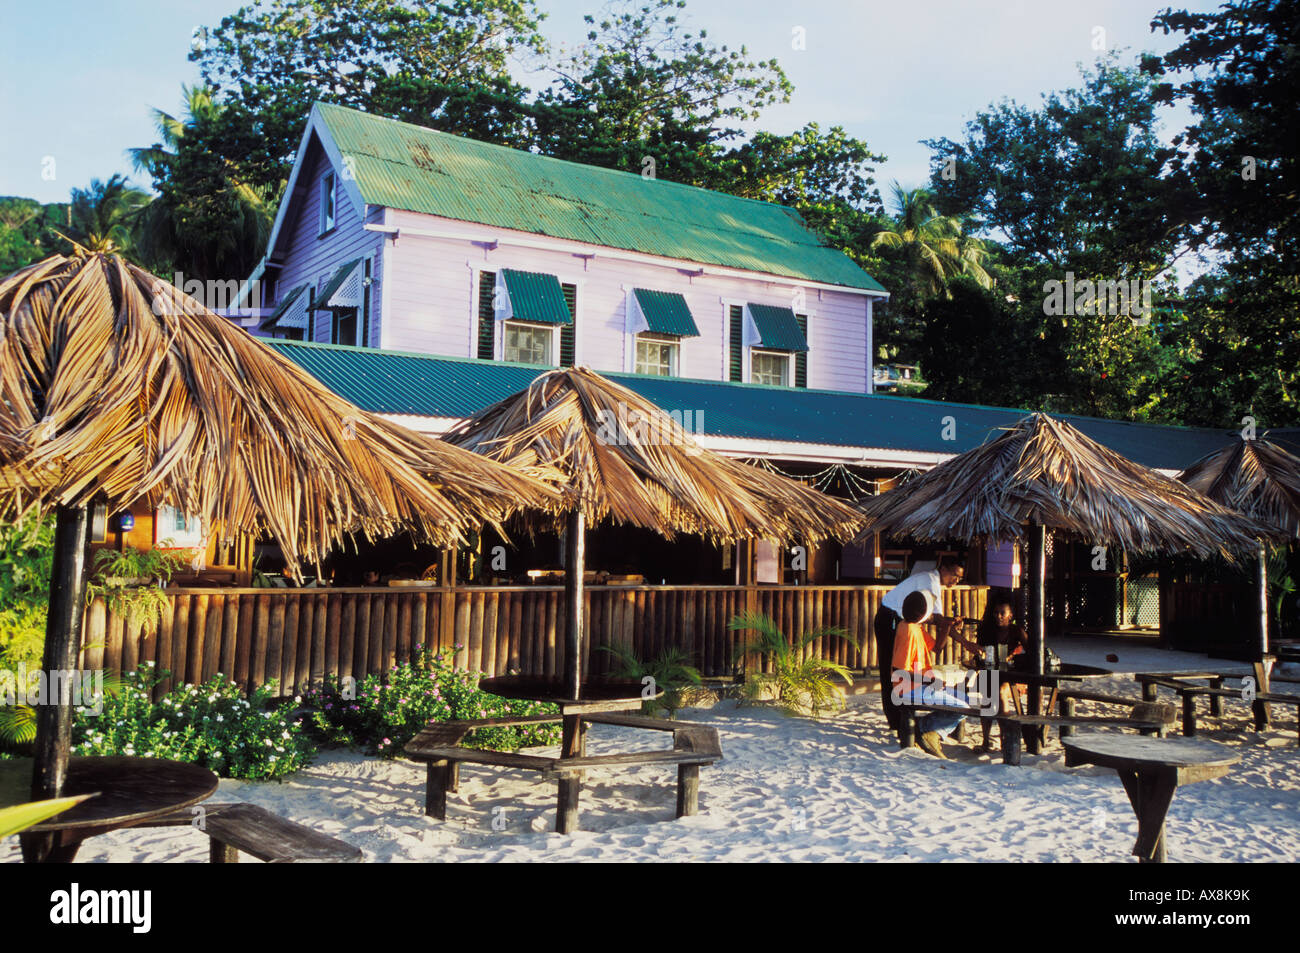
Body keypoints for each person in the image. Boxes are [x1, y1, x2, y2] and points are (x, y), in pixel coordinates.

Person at [875, 556, 968, 731]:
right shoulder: (930, 582)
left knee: (897, 672)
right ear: (944, 568)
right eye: (955, 575)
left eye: (960, 578)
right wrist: (965, 642)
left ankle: (901, 720)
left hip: (897, 618)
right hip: (889, 619)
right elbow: (940, 620)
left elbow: (941, 625)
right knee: (890, 672)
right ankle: (898, 722)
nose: (956, 581)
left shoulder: (932, 583)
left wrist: (953, 628)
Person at [892, 591, 972, 758]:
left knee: (966, 700)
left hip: (920, 684)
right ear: (923, 614)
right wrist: (929, 681)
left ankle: (924, 726)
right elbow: (899, 671)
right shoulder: (909, 632)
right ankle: (931, 732)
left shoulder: (914, 627)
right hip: (909, 688)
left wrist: (946, 627)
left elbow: (936, 648)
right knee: (964, 707)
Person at [975, 595, 1030, 750]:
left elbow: (1031, 651)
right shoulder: (987, 630)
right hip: (992, 670)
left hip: (1011, 674)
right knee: (988, 698)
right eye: (996, 613)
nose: (998, 616)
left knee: (1000, 693)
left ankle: (1004, 739)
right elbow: (980, 652)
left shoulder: (1016, 630)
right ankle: (986, 741)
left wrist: (1014, 656)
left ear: (1010, 615)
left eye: (1002, 613)